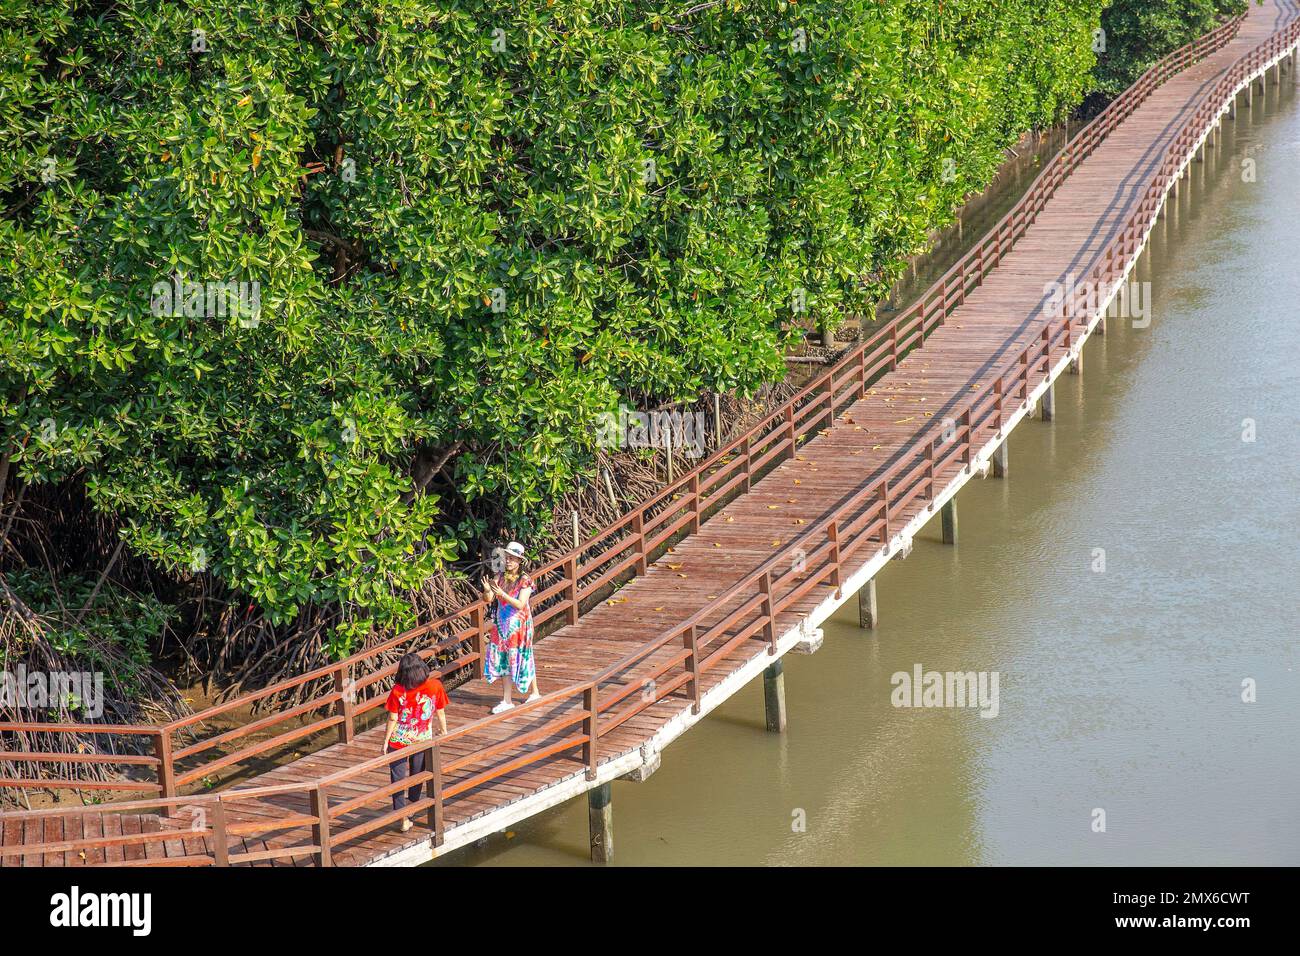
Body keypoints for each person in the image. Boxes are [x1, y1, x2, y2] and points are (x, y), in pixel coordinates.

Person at [381, 652, 449, 832]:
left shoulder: (398, 690)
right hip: (422, 739)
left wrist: (385, 741)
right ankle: (411, 809)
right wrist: (443, 731)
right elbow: (440, 712)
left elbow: (393, 718)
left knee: (397, 780)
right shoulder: (435, 685)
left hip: (399, 741)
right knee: (418, 775)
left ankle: (402, 818)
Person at [480, 540, 541, 714]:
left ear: (520, 561)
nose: (509, 561)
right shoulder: (499, 577)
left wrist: (503, 594)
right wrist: (487, 590)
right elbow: (489, 599)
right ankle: (507, 699)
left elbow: (521, 604)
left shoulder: (525, 580)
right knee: (504, 658)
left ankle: (535, 691)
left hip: (519, 625)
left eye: (513, 558)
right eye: (507, 557)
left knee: (524, 656)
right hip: (501, 625)